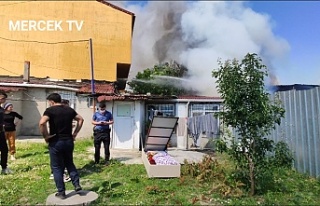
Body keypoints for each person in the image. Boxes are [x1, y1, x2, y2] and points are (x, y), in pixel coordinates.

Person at [39, 93, 84, 199]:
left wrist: (46, 136)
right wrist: (75, 133)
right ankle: (76, 184)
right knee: (69, 163)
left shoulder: (50, 111)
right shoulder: (69, 110)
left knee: (56, 167)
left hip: (56, 141)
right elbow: (81, 119)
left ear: (51, 101)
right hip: (68, 140)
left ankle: (61, 192)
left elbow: (42, 123)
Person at [48, 99, 71, 182]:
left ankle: (54, 173)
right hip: (61, 139)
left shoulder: (53, 112)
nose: (68, 107)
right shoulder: (61, 113)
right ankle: (61, 174)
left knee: (55, 157)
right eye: (67, 105)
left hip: (56, 138)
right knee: (61, 157)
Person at [91, 101, 114, 165]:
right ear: (99, 108)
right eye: (101, 109)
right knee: (97, 147)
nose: (102, 110)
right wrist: (98, 123)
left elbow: (112, 121)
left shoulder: (108, 113)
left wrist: (107, 123)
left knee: (106, 147)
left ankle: (107, 160)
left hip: (106, 132)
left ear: (105, 108)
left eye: (103, 109)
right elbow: (92, 121)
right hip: (98, 132)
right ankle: (96, 161)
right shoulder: (96, 114)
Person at [0, 92, 12, 174]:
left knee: (4, 150)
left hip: (1, 132)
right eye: (3, 98)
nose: (4, 100)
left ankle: (4, 167)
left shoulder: (1, 108)